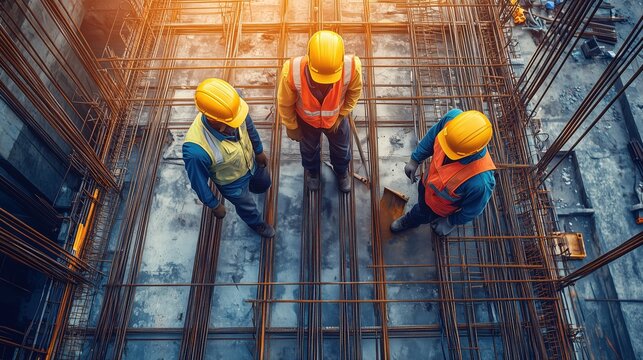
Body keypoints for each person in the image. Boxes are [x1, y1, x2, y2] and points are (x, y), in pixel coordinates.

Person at [183, 78, 275, 238]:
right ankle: (257, 224)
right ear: (215, 120)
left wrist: (258, 151)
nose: (238, 122)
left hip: (251, 161)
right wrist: (214, 204)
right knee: (247, 207)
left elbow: (249, 126)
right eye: (233, 122)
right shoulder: (196, 150)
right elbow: (198, 182)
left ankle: (257, 186)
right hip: (232, 182)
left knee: (263, 184)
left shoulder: (234, 107)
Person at [277, 30, 363, 192]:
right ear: (308, 59)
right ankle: (313, 172)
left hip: (336, 118)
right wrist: (291, 126)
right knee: (308, 149)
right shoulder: (292, 71)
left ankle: (341, 171)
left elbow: (354, 93)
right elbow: (284, 102)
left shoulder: (351, 68)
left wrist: (340, 116)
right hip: (307, 121)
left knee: (342, 149)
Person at [391, 109, 496, 236]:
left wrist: (450, 222)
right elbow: (432, 137)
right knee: (421, 202)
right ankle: (417, 213)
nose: (446, 152)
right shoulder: (452, 120)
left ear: (472, 152)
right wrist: (415, 159)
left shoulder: (479, 182)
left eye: (453, 152)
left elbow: (471, 211)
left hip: (438, 208)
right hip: (426, 184)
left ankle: (410, 220)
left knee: (421, 213)